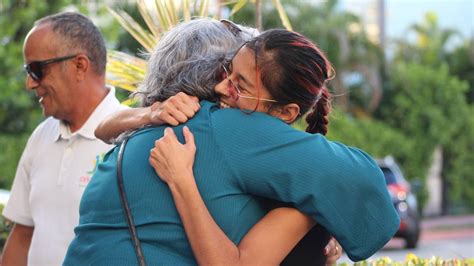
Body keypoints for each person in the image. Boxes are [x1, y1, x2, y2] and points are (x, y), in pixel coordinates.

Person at [64, 19, 399, 265]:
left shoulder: (128, 144)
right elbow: (365, 181)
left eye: (239, 84)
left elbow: (103, 128)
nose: (224, 90)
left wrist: (330, 215)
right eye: (225, 73)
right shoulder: (223, 128)